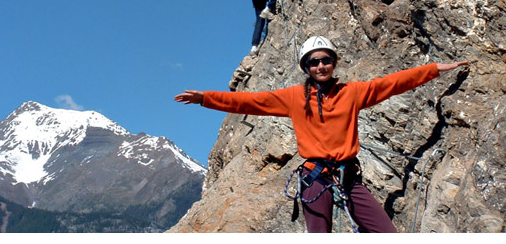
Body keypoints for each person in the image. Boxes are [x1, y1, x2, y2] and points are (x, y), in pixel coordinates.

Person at [174, 35, 469, 233]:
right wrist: (206, 98)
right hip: (315, 178)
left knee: (386, 232)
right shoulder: (292, 97)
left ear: (333, 63)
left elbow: (393, 83)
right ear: (306, 67)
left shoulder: (352, 93)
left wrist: (434, 69)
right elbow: (250, 101)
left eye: (325, 60)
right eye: (313, 62)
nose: (320, 66)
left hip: (348, 177)